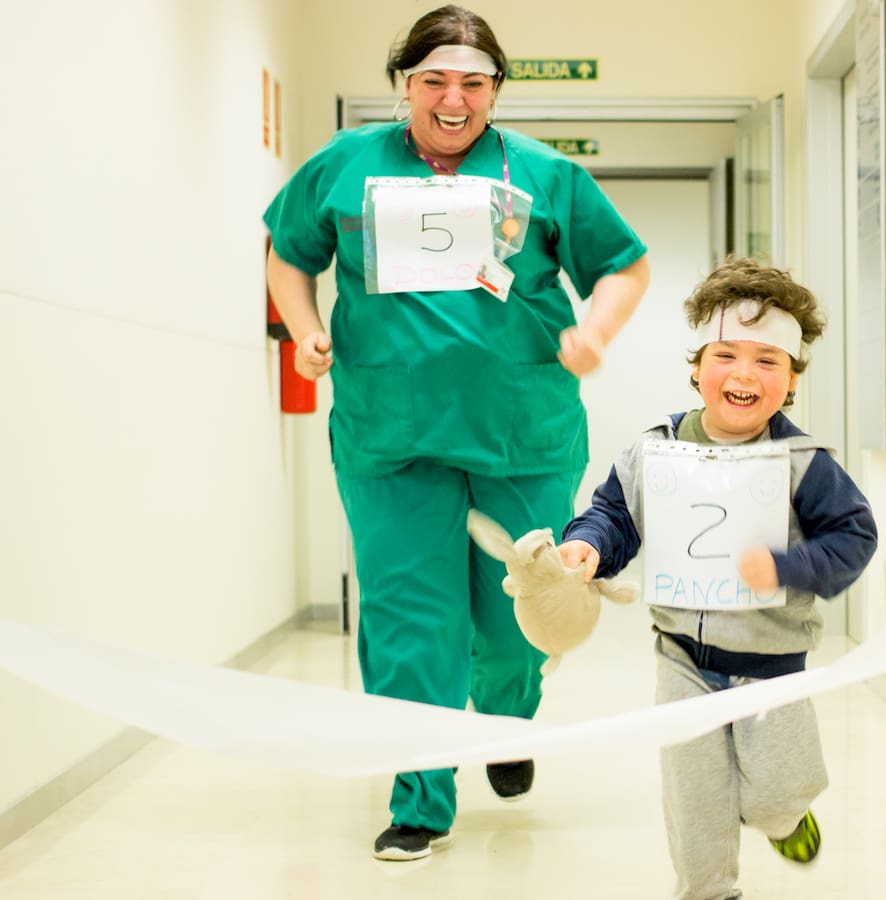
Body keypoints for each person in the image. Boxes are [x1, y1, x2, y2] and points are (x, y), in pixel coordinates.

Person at [262, 5, 649, 862]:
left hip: (522, 431)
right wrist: (302, 327)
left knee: (517, 620)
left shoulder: (547, 175)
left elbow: (625, 264)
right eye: (433, 80)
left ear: (496, 91)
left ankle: (505, 723)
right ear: (404, 85)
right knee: (408, 619)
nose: (452, 98)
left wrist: (597, 333)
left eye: (473, 83)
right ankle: (421, 794)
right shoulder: (345, 164)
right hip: (388, 435)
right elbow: (287, 252)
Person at [559, 257, 876, 900]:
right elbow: (613, 514)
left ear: (790, 382)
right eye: (726, 354)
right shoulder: (655, 449)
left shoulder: (803, 463)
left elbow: (854, 536)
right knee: (695, 805)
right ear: (698, 368)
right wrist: (589, 547)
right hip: (681, 660)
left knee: (774, 794)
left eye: (767, 360)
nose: (744, 373)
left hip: (771, 665)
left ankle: (783, 818)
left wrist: (787, 567)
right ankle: (707, 889)